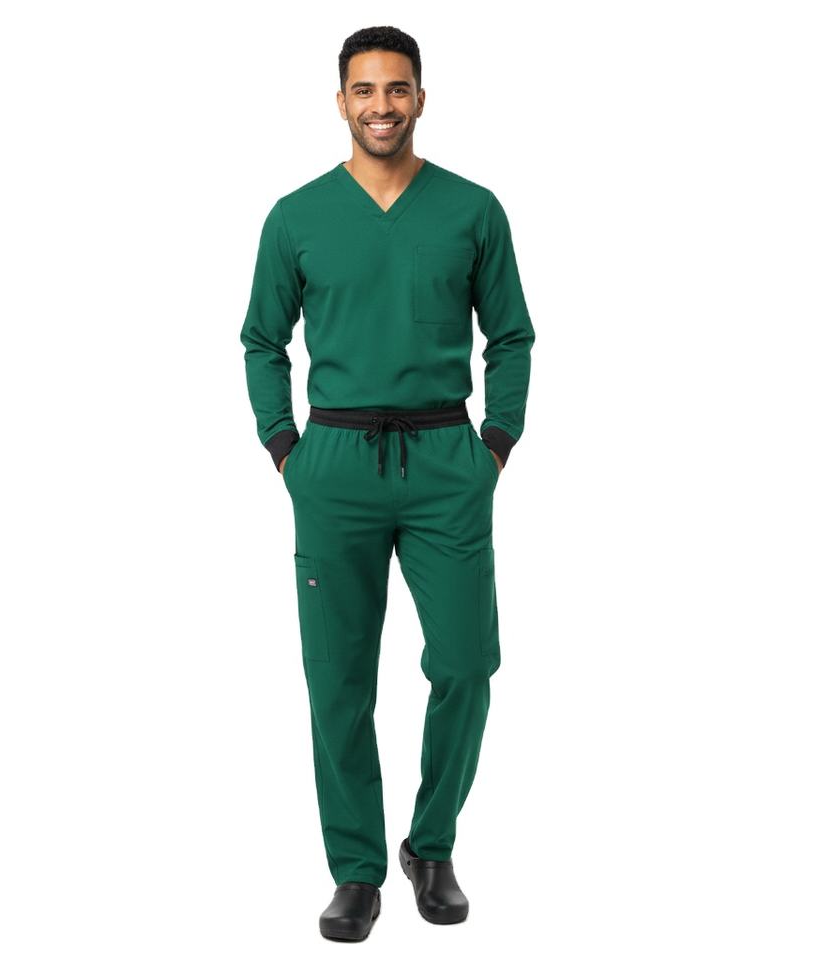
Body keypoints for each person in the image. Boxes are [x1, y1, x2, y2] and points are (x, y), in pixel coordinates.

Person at [240, 25, 535, 942]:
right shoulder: (296, 216)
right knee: (338, 678)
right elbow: (261, 341)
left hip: (447, 460)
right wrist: (285, 448)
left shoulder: (472, 210)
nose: (381, 105)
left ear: (420, 98)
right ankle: (357, 870)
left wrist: (496, 444)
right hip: (334, 464)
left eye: (397, 89)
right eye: (364, 90)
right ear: (341, 101)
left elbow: (512, 337)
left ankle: (431, 845)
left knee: (467, 662)